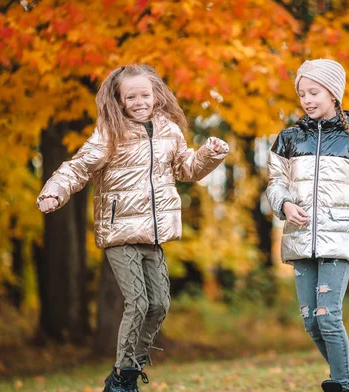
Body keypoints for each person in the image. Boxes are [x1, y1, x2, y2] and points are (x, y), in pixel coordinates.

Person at [37, 64, 229, 391]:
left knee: (159, 305)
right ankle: (123, 379)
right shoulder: (110, 132)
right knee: (138, 302)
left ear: (156, 96)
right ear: (119, 101)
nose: (139, 101)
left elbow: (186, 169)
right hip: (120, 232)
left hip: (153, 234)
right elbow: (79, 167)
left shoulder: (169, 130)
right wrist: (54, 191)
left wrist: (210, 155)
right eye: (131, 97)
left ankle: (126, 374)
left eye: (145, 94)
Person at [266, 59, 349, 392]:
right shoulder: (288, 139)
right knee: (311, 322)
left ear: (334, 94)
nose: (308, 99)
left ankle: (341, 383)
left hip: (339, 237)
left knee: (327, 315)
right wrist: (283, 203)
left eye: (315, 92)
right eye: (302, 94)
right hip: (299, 237)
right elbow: (275, 180)